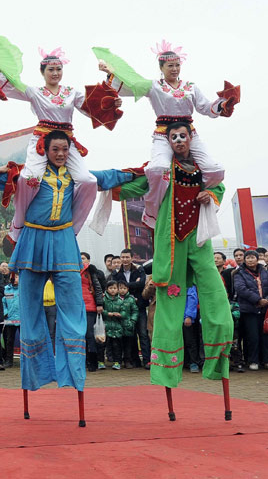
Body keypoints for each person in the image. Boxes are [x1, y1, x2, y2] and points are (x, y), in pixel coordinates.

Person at [111, 120, 234, 393]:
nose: (179, 140)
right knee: (169, 301)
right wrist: (107, 186)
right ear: (168, 142)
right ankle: (166, 369)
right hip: (172, 241)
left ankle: (219, 358)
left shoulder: (204, 169)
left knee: (216, 295)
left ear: (191, 138)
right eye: (174, 137)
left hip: (198, 239)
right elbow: (139, 184)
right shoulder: (162, 171)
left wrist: (209, 195)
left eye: (183, 136)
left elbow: (219, 188)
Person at [10, 130, 132, 402]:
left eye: (65, 149)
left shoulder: (76, 177)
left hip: (63, 241)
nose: (61, 154)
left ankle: (73, 373)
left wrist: (137, 174)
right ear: (45, 150)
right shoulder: (31, 176)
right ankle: (36, 375)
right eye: (55, 149)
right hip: (33, 241)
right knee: (30, 311)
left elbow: (106, 177)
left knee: (73, 310)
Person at [0, 48, 116, 245]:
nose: (55, 73)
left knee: (88, 181)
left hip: (65, 142)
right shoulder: (35, 92)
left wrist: (111, 100)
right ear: (42, 72)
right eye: (51, 69)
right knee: (29, 178)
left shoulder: (71, 93)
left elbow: (93, 106)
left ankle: (72, 229)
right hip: (42, 141)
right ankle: (17, 226)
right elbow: (10, 85)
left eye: (58, 69)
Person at [101, 42, 234, 230]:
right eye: (170, 65)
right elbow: (130, 86)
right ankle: (152, 212)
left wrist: (223, 104)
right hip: (163, 134)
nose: (174, 69)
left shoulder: (190, 87)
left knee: (215, 170)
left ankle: (200, 196)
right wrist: (110, 73)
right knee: (157, 169)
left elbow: (206, 108)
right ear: (161, 68)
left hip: (188, 133)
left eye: (177, 65)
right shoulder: (154, 86)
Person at [110, 249, 150, 368]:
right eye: (123, 257)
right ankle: (134, 360)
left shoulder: (139, 269)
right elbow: (116, 287)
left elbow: (141, 284)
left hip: (139, 306)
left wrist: (125, 286)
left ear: (132, 258)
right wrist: (133, 285)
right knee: (129, 335)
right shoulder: (116, 272)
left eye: (127, 257)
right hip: (124, 308)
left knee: (143, 333)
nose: (125, 259)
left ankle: (147, 360)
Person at [233, 250, 268, 371]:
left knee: (265, 335)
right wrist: (258, 300)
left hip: (265, 309)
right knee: (252, 336)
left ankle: (265, 360)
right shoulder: (239, 273)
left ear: (257, 259)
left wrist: (266, 300)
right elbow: (241, 289)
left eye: (253, 257)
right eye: (248, 258)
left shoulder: (264, 272)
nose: (250, 260)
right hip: (249, 309)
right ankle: (253, 360)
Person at [80, 257, 104, 372]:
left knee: (89, 334)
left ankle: (93, 361)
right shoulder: (71, 269)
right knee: (80, 334)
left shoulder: (90, 270)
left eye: (83, 258)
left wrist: (99, 303)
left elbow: (98, 287)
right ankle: (83, 360)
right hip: (76, 307)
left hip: (90, 306)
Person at [183, 285, 204, 373]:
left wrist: (189, 316)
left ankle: (194, 362)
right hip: (176, 317)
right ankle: (185, 362)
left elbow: (192, 299)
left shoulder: (189, 284)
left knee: (190, 340)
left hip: (187, 316)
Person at [2, 271, 20, 368]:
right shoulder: (6, 289)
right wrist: (5, 312)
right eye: (12, 277)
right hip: (10, 319)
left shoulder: (23, 289)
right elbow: (3, 302)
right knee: (9, 340)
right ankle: (9, 360)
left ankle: (26, 359)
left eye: (16, 277)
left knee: (23, 340)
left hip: (22, 319)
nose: (14, 279)